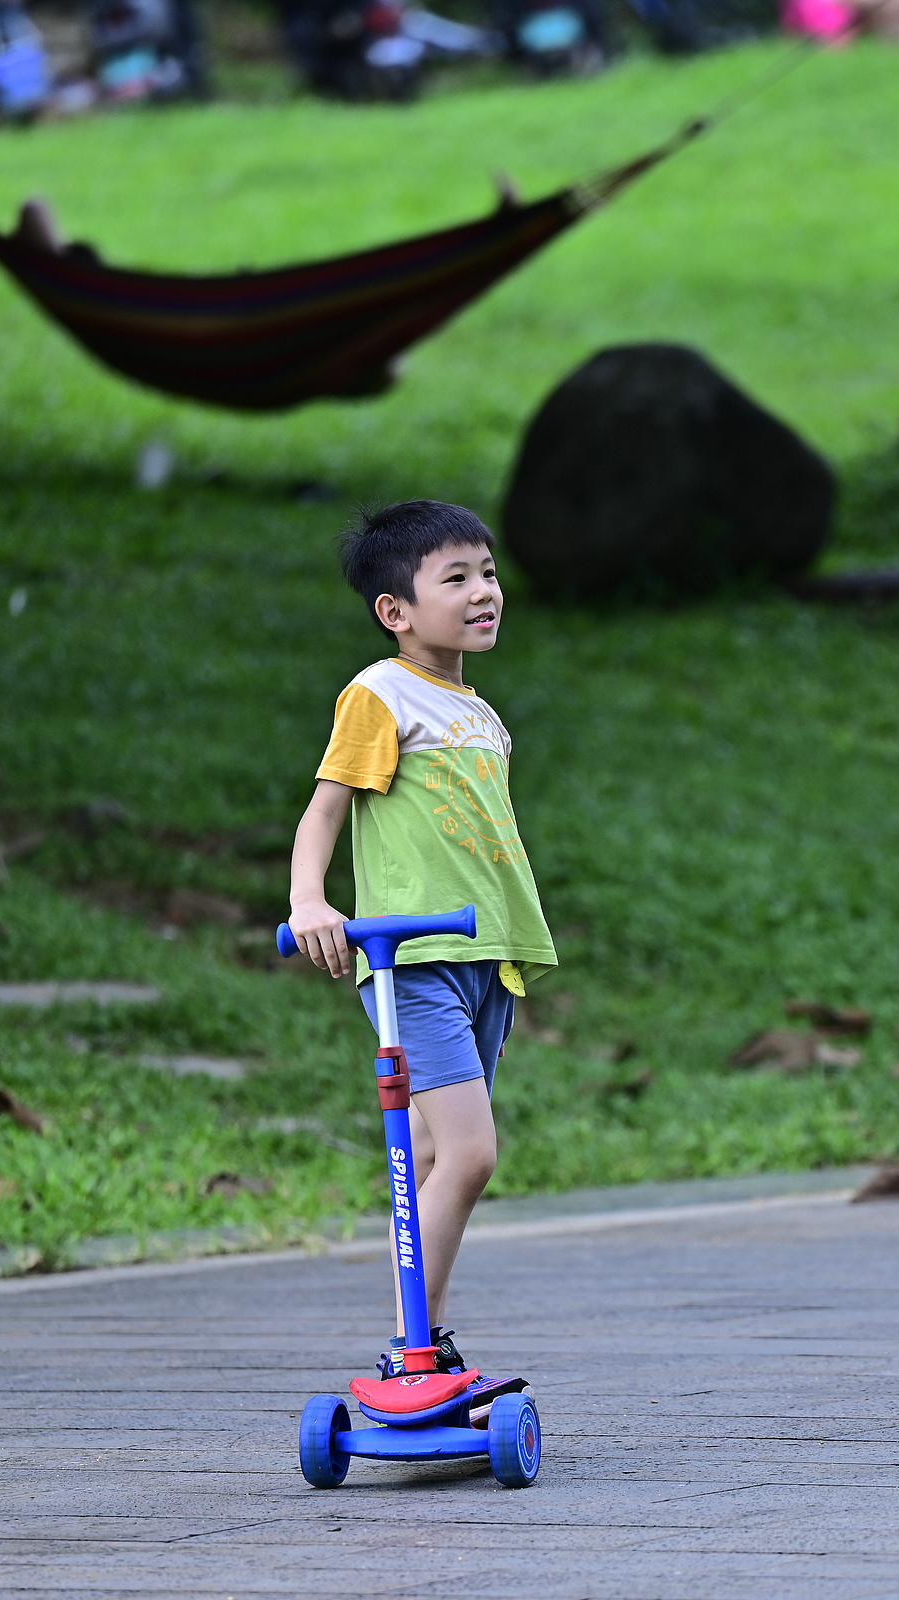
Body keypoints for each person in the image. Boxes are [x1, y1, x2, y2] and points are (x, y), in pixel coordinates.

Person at [287, 500, 557, 1379]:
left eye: (487, 573)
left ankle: (425, 1342)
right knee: (471, 1155)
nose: (485, 592)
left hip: (484, 959)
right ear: (395, 611)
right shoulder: (380, 692)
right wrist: (310, 903)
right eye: (457, 578)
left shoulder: (482, 715)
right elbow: (325, 808)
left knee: (441, 1154)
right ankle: (413, 1351)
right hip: (416, 964)